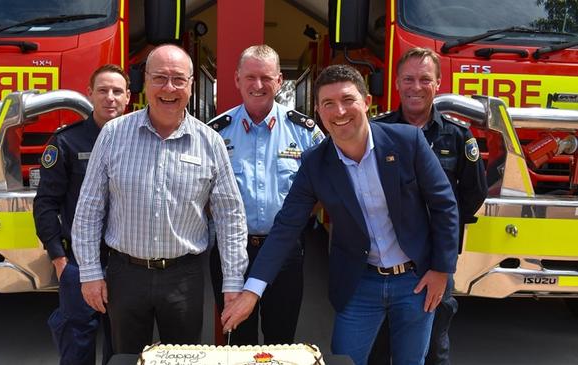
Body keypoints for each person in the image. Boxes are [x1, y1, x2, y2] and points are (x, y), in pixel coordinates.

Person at [221, 64, 459, 365]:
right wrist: (252, 292)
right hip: (360, 284)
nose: (339, 111)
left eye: (348, 100)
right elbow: (286, 227)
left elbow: (444, 205)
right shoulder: (315, 164)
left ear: (367, 102)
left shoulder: (407, 142)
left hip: (415, 281)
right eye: (328, 104)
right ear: (319, 112)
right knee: (345, 359)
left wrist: (441, 269)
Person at [71, 44, 248, 354]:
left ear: (192, 85)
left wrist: (233, 280)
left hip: (184, 278)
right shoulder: (113, 134)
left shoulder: (210, 142)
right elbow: (89, 209)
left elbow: (230, 217)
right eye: (160, 78)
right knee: (125, 357)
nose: (169, 88)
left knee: (182, 358)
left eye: (179, 79)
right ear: (145, 83)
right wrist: (90, 273)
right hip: (125, 275)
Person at [368, 47, 488, 365]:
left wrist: (438, 239)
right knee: (378, 348)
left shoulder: (459, 137)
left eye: (424, 79)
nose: (415, 87)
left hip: (433, 263)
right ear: (396, 83)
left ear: (438, 84)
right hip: (384, 260)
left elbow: (473, 195)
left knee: (433, 348)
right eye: (408, 79)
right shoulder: (375, 133)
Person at [207, 44, 325, 345]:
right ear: (236, 80)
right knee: (237, 341)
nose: (257, 85)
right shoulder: (215, 133)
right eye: (250, 77)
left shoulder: (306, 133)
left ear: (279, 81)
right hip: (232, 254)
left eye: (265, 77)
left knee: (280, 339)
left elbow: (322, 190)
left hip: (284, 251)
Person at [33, 64, 130, 365]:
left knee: (123, 346)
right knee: (77, 345)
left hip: (126, 263)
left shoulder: (139, 140)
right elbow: (45, 203)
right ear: (89, 94)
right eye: (102, 90)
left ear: (128, 97)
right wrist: (59, 259)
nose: (110, 98)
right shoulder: (66, 142)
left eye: (117, 91)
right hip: (78, 262)